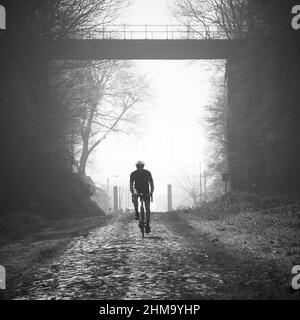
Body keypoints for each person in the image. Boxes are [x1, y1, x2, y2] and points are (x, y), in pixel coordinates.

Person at [130, 161, 154, 233]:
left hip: (145, 190)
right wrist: (133, 193)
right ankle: (137, 212)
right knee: (135, 198)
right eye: (138, 167)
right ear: (136, 167)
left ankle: (147, 224)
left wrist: (151, 192)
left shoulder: (147, 173)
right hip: (137, 189)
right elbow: (131, 185)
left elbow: (151, 184)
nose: (139, 168)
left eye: (141, 167)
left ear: (143, 167)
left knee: (147, 207)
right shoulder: (133, 174)